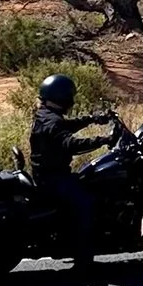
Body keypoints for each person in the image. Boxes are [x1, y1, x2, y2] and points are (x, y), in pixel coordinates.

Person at [29, 72, 113, 243]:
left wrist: (92, 119)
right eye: (69, 95)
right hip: (54, 178)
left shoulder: (45, 114)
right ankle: (84, 260)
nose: (71, 100)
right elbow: (71, 143)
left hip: (45, 174)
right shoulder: (52, 121)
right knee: (86, 203)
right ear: (62, 96)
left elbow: (66, 126)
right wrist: (104, 140)